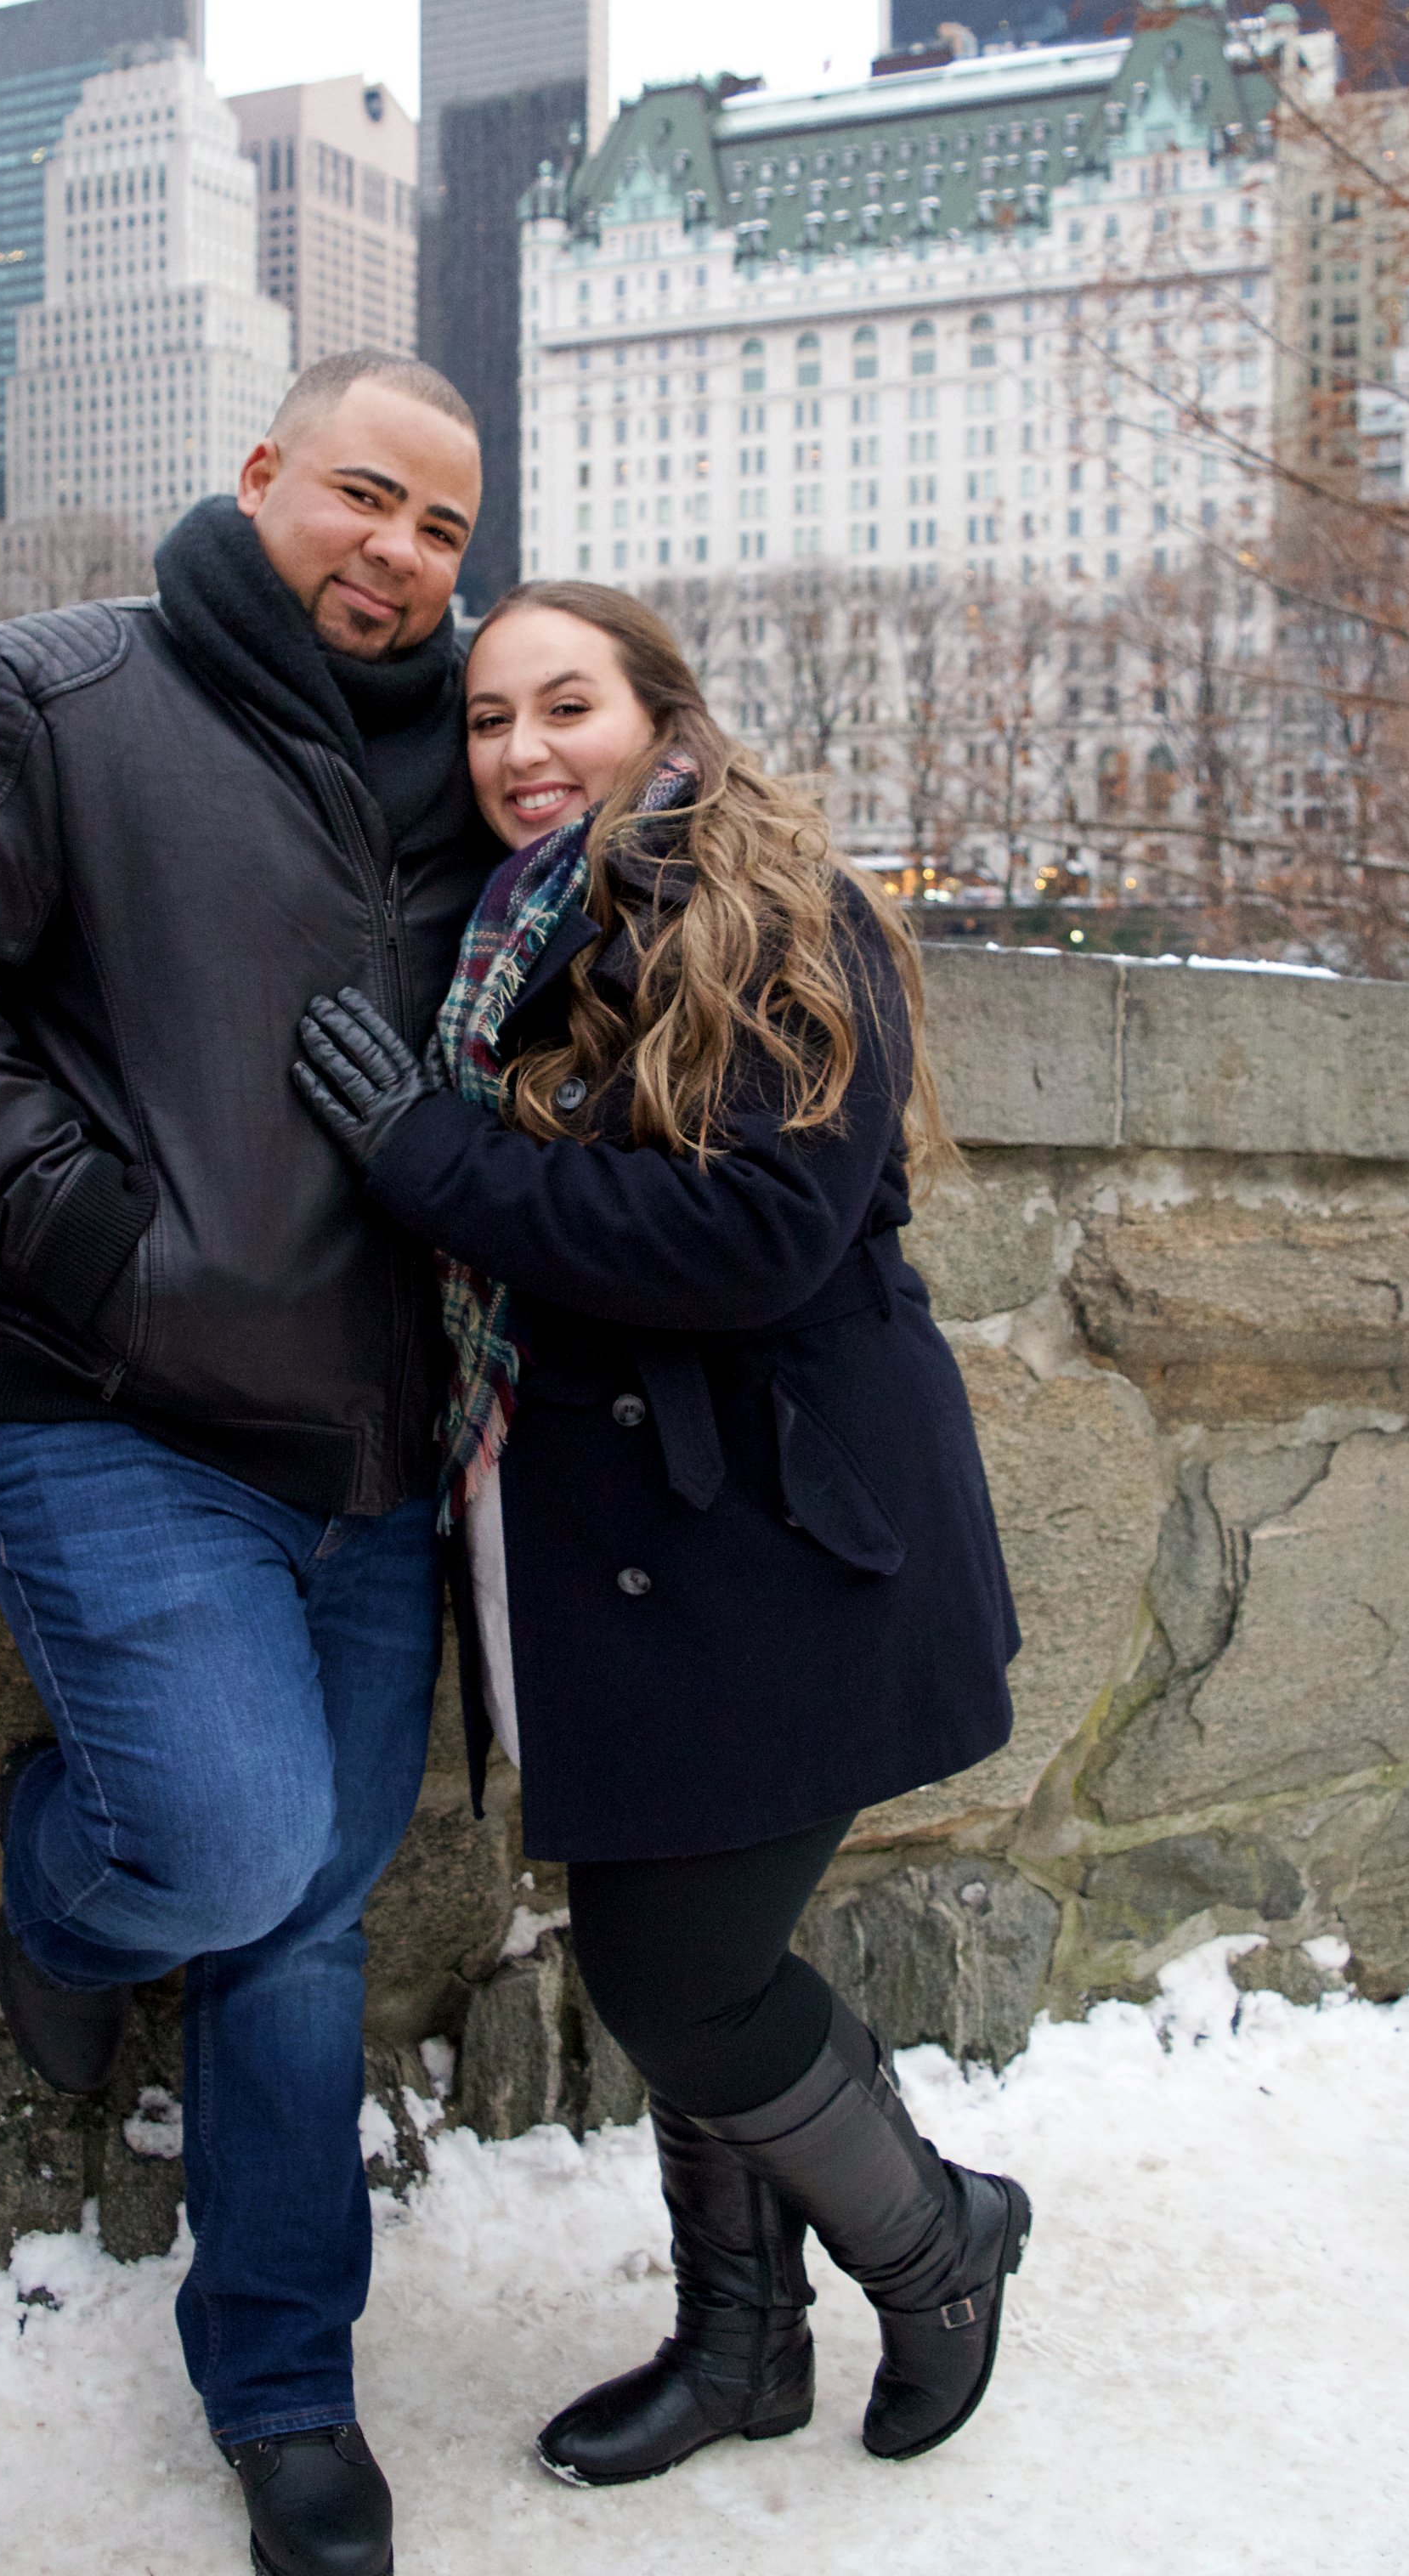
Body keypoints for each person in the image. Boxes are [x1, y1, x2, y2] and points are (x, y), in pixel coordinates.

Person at [0, 351, 497, 2576]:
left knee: (305, 1925)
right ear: (262, 470)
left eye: (446, 530)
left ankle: (284, 2389)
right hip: (114, 1404)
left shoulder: (492, 776)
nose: (398, 553)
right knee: (221, 1844)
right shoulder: (43, 693)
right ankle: (65, 1888)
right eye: (363, 497)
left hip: (381, 1446)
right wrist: (113, 1246)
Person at [291, 581, 1028, 2489]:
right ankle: (742, 2343)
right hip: (614, 1549)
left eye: (567, 706)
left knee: (676, 1972)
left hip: (789, 1546)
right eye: (484, 719)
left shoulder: (779, 916)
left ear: (662, 716)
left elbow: (755, 1235)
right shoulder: (505, 942)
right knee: (678, 1949)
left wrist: (431, 1160)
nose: (523, 750)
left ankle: (940, 2245)